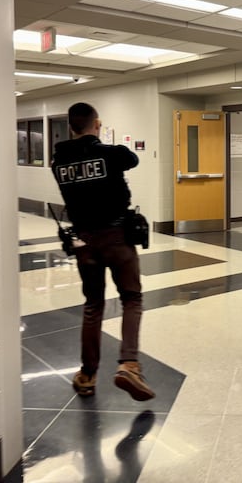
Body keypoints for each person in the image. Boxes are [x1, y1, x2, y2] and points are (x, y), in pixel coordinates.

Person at [51, 102, 155, 400]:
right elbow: (132, 159)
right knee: (131, 298)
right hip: (117, 238)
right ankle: (129, 365)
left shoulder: (58, 162)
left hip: (84, 241)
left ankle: (87, 375)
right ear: (96, 124)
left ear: (70, 127)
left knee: (93, 305)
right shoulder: (112, 154)